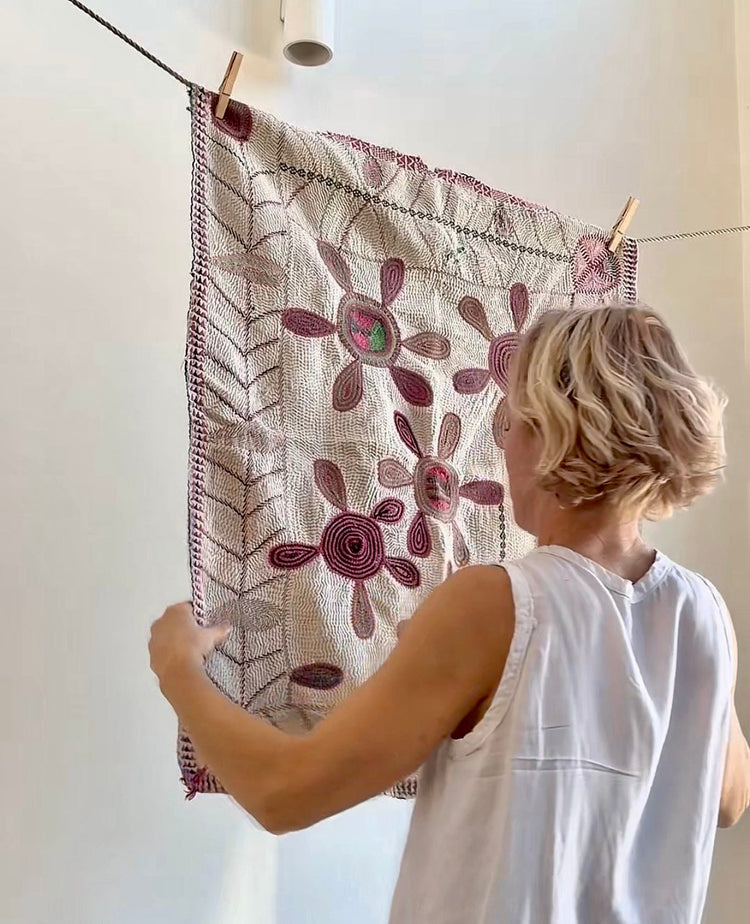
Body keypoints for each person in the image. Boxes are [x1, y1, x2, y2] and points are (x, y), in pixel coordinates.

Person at [150, 304, 750, 923]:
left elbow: (284, 793)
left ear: (553, 428)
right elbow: (729, 797)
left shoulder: (499, 604)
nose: (504, 443)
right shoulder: (702, 612)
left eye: (510, 421)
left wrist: (178, 672)